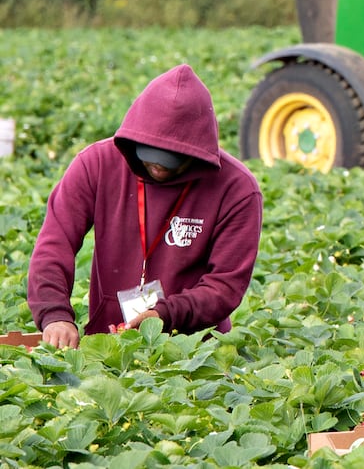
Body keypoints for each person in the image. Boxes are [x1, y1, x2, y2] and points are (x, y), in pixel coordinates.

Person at [27, 64, 263, 348]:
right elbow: (55, 244)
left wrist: (165, 314)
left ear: (197, 153)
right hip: (108, 345)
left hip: (196, 351)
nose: (159, 167)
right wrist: (55, 315)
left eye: (171, 160)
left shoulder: (237, 190)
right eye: (149, 155)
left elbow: (224, 286)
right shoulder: (96, 165)